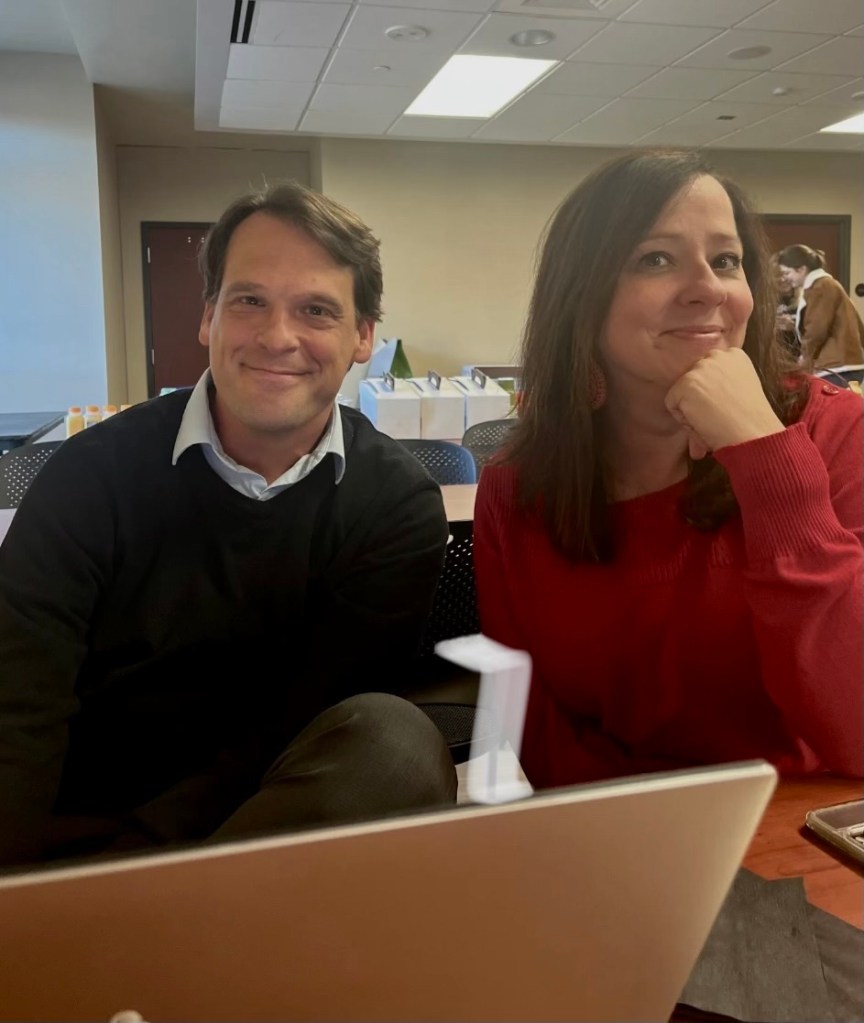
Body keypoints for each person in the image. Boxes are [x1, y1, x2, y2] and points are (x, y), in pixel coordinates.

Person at [0, 181, 456, 867]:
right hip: (78, 830)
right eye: (249, 300)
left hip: (255, 825)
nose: (278, 337)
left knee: (395, 744)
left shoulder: (395, 507)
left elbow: (308, 719)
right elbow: (19, 713)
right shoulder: (88, 475)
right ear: (209, 316)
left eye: (316, 309)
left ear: (363, 337)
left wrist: (163, 863)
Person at [474, 150, 863, 791]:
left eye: (726, 259)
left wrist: (765, 456)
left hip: (796, 832)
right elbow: (529, 722)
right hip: (611, 841)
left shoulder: (834, 433)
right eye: (656, 258)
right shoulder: (518, 484)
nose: (707, 287)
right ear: (583, 296)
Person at [776, 244, 864, 372]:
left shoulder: (821, 287)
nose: (786, 278)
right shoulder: (823, 285)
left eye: (787, 273)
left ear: (801, 269)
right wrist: (794, 324)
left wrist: (804, 358)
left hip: (836, 364)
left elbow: (816, 329)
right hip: (841, 362)